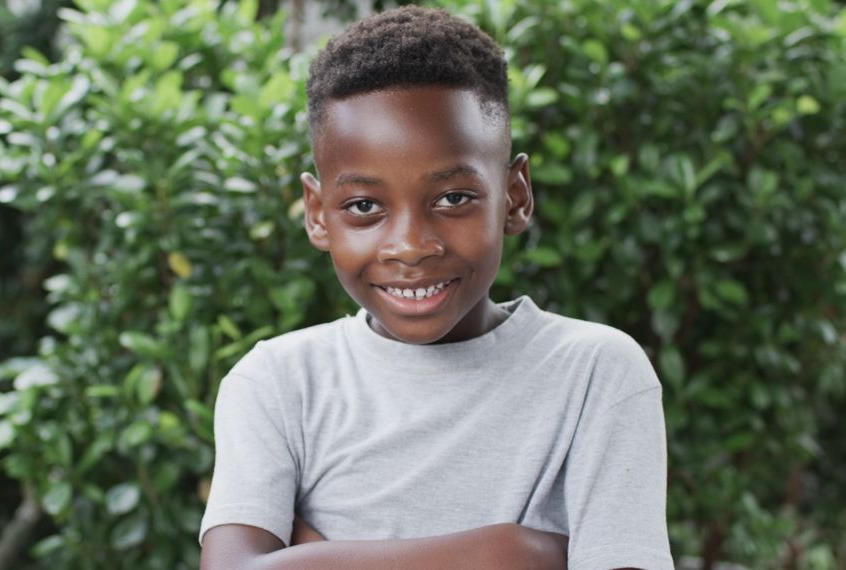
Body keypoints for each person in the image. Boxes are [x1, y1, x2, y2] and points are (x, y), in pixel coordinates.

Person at [199, 6, 672, 569]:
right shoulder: (277, 384)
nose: (411, 245)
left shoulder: (595, 373)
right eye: (364, 206)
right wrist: (512, 552)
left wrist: (311, 559)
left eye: (453, 198)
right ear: (318, 213)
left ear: (515, 195)